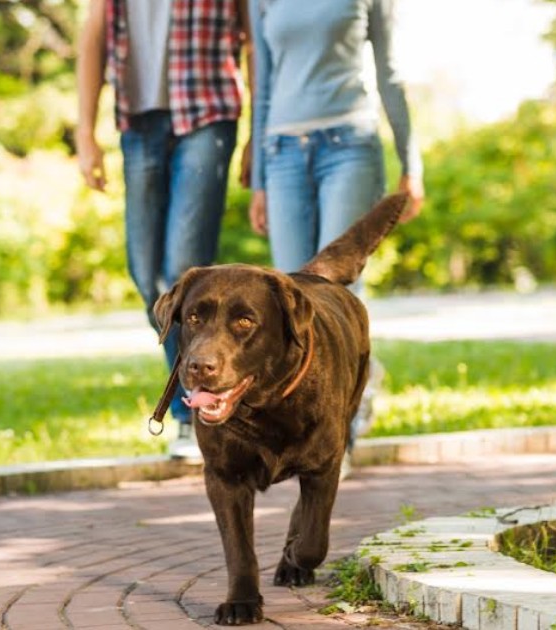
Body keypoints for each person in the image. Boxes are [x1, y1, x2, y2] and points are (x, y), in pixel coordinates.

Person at [246, 0, 425, 477]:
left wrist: (412, 162)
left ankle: (337, 436)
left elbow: (389, 73)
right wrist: (260, 180)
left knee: (334, 290)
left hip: (349, 145)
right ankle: (328, 407)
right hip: (282, 151)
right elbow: (262, 87)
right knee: (289, 300)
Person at [76, 0, 248, 459]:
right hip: (139, 121)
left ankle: (194, 413)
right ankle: (207, 397)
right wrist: (84, 132)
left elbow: (255, 37)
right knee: (148, 277)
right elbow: (93, 34)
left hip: (208, 114)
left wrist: (259, 133)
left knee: (182, 271)